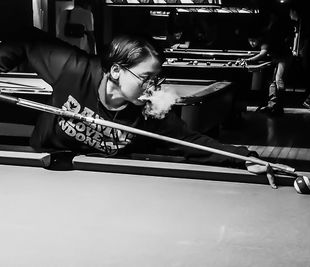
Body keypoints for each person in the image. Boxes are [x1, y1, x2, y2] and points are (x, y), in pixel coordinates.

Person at [0, 27, 275, 183]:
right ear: (117, 71)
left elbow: (192, 142)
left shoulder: (150, 112)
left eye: (155, 78)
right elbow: (26, 39)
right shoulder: (74, 68)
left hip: (107, 180)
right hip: (42, 167)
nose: (152, 86)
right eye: (145, 78)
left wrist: (243, 157)